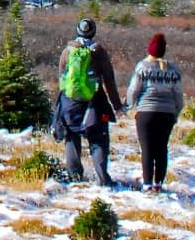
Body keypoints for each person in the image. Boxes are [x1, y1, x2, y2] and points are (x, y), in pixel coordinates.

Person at [55, 17, 123, 188]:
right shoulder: (99, 52)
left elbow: (62, 77)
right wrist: (117, 105)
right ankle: (102, 178)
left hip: (70, 100)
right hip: (95, 100)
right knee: (98, 138)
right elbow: (109, 80)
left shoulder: (67, 51)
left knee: (71, 135)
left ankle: (74, 175)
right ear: (93, 32)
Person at [125, 32, 185, 193]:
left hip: (146, 112)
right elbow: (178, 95)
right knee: (161, 148)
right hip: (167, 113)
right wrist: (176, 113)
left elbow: (134, 90)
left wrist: (129, 106)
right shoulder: (172, 70)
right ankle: (158, 183)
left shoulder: (143, 67)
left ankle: (147, 184)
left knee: (147, 149)